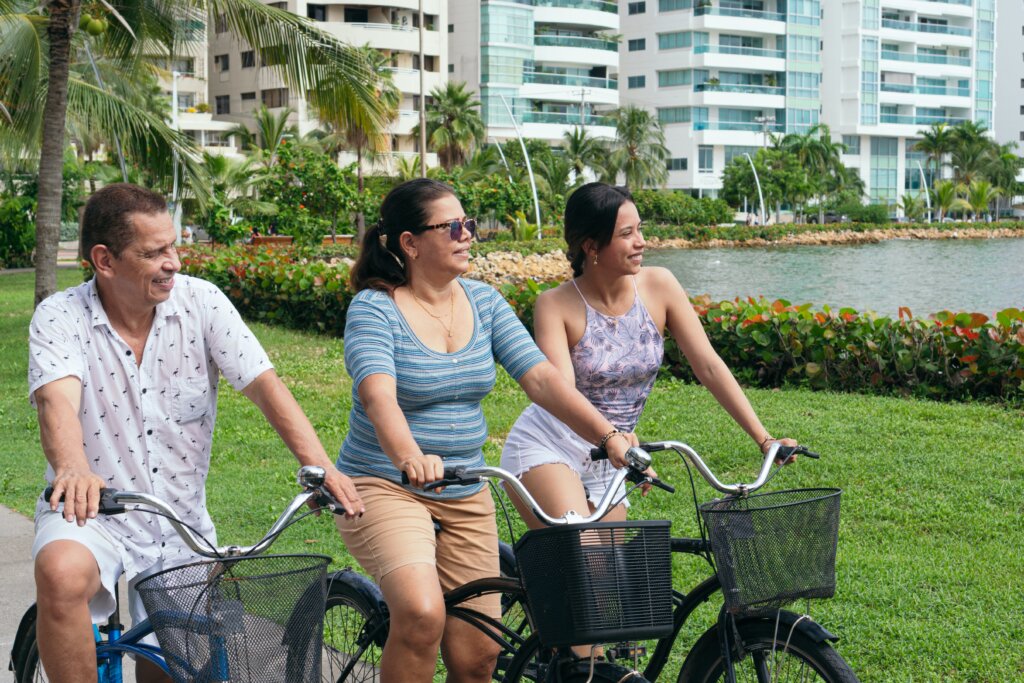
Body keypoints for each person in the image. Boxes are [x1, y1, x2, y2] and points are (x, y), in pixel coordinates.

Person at [27, 183, 364, 683]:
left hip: (180, 522)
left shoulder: (201, 303)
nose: (174, 262)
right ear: (105, 260)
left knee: (171, 672)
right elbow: (57, 402)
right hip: (93, 509)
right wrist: (74, 469)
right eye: (154, 252)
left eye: (173, 246)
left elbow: (266, 388)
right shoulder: (60, 316)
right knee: (60, 573)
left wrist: (321, 468)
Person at [334, 178, 634, 683]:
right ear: (410, 243)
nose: (467, 234)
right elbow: (378, 395)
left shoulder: (485, 303)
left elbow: (541, 378)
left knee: (479, 659)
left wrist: (608, 437)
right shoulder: (374, 308)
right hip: (383, 484)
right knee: (423, 614)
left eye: (468, 224)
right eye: (452, 226)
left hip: (466, 488)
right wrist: (409, 455)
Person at [501, 182, 797, 530]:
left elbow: (709, 366)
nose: (641, 241)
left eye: (640, 229)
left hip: (614, 454)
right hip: (551, 442)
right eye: (627, 233)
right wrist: (612, 435)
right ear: (591, 246)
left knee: (605, 571)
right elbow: (560, 390)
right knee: (579, 558)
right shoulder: (555, 304)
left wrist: (764, 439)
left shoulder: (660, 285)